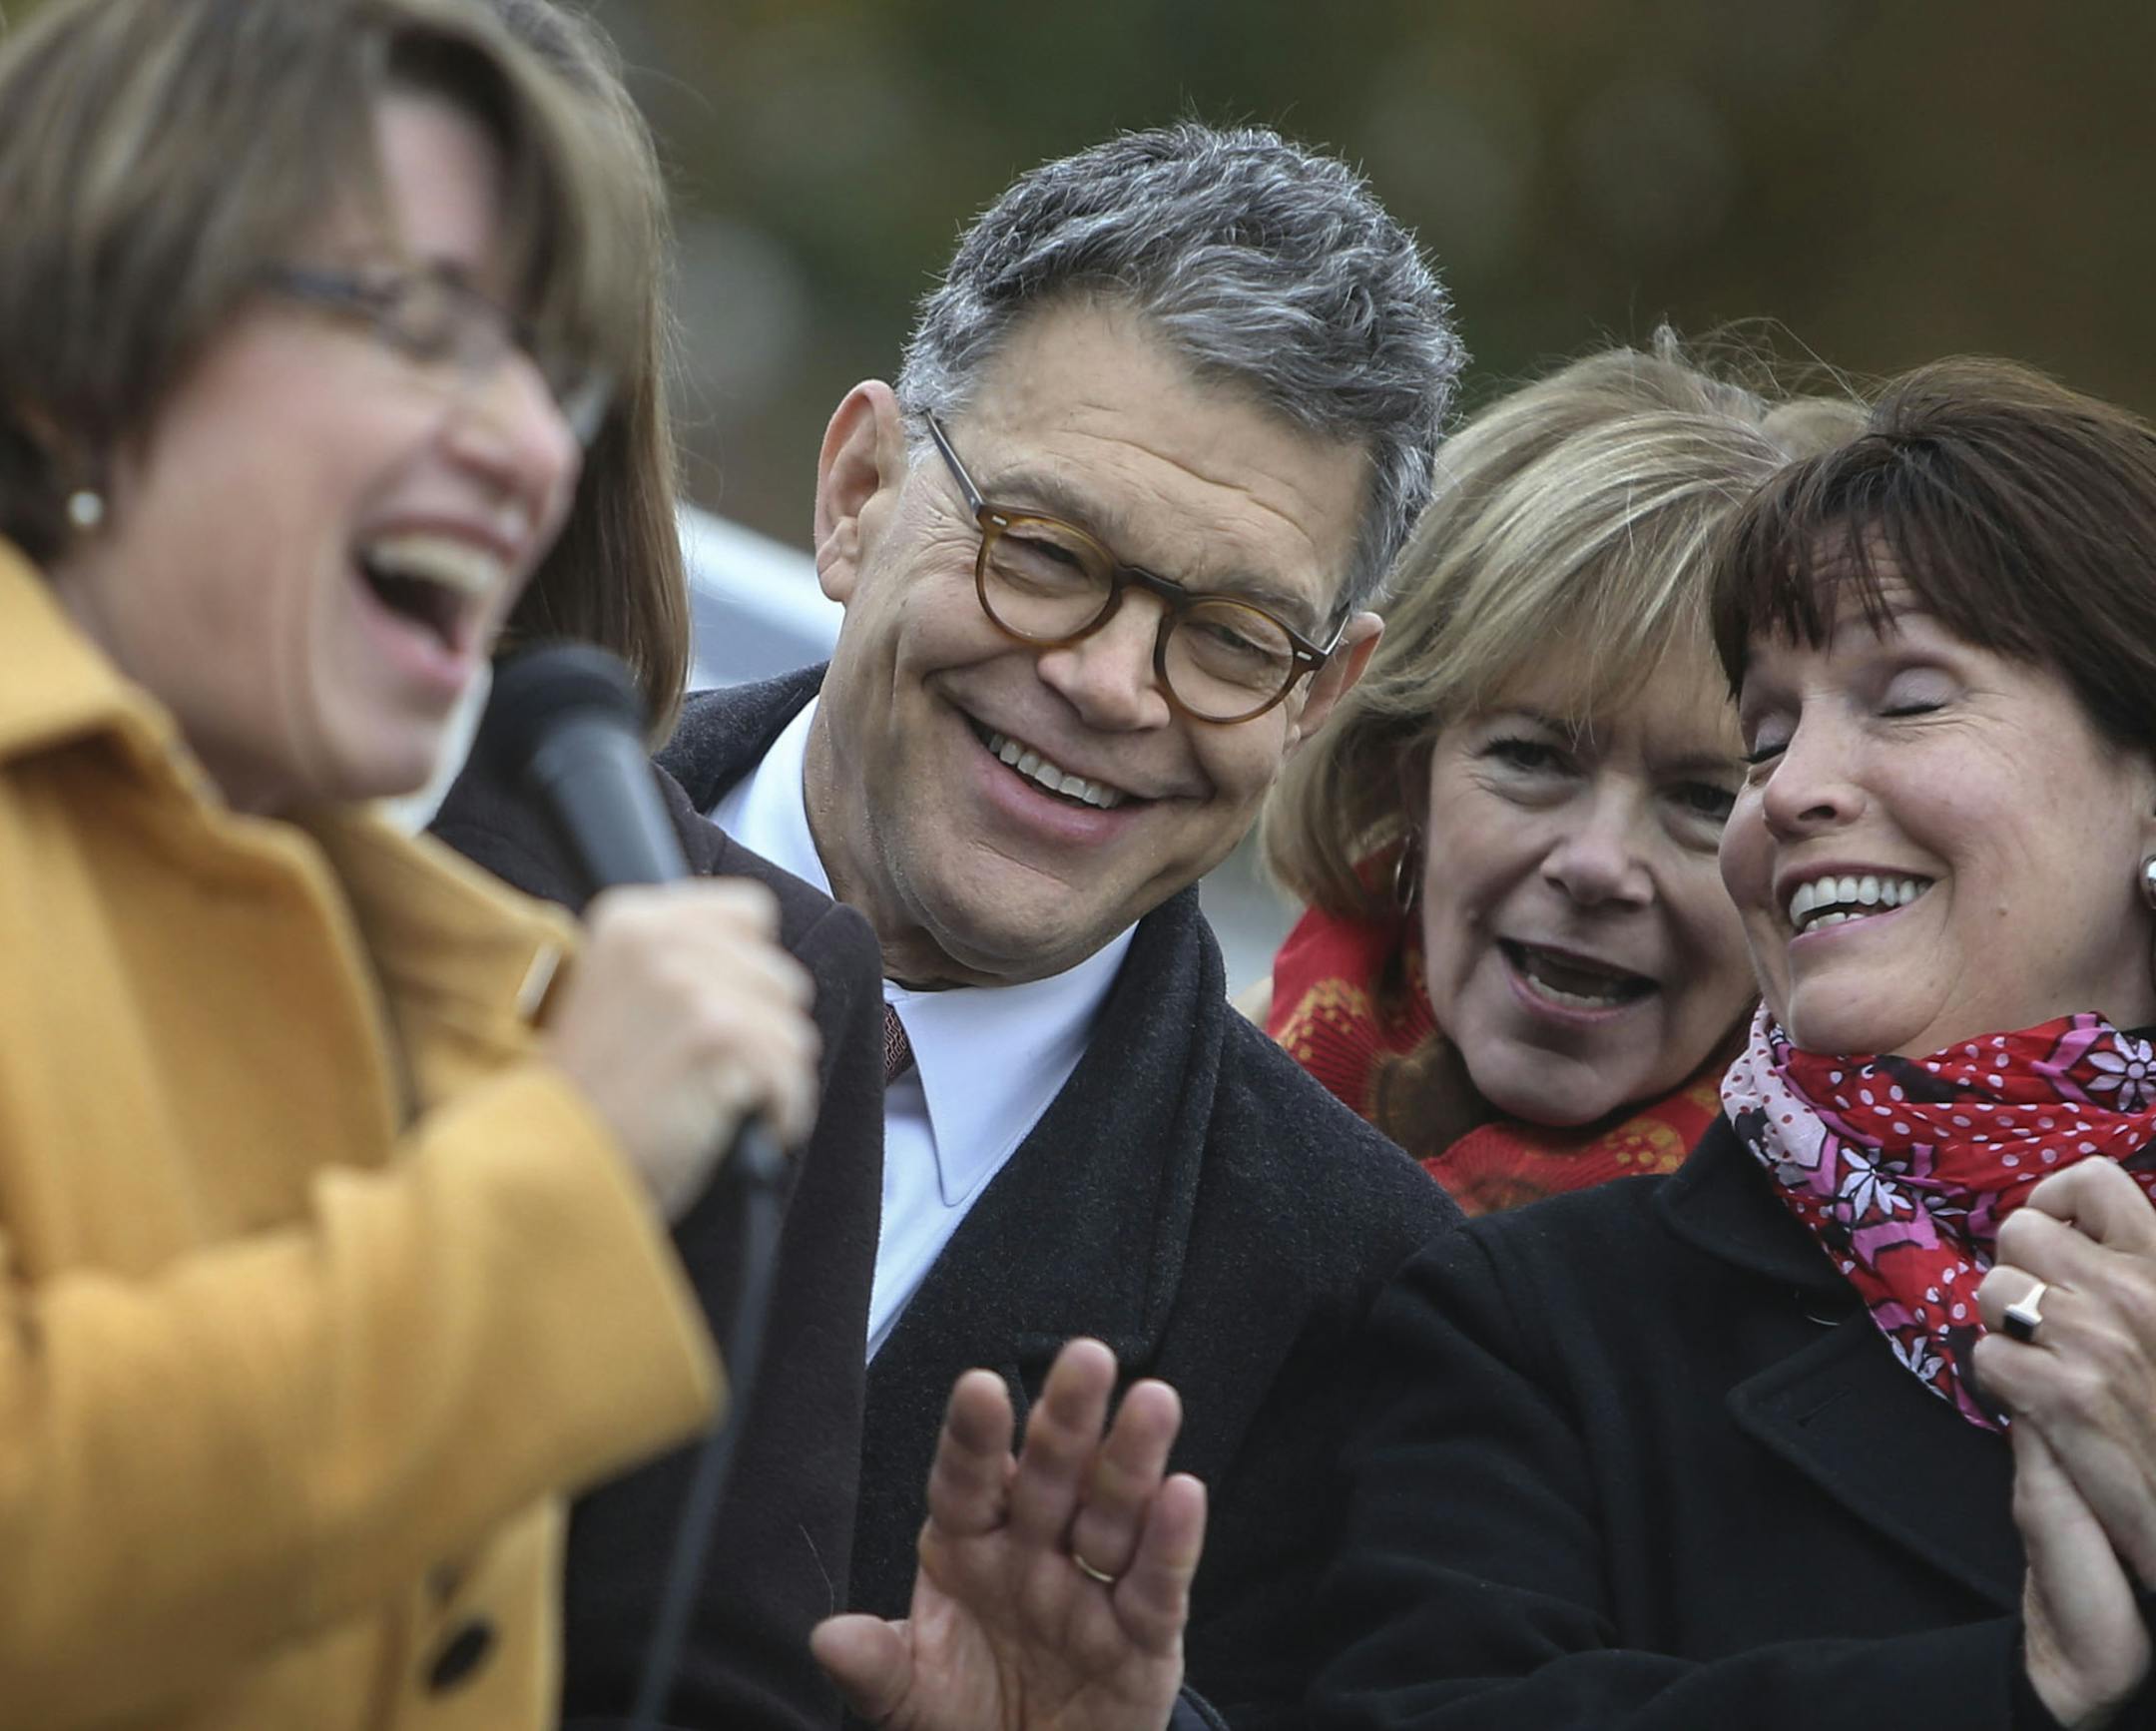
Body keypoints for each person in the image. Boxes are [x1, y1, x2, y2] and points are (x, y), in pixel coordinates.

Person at [854, 359, 2156, 1731]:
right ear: (1396, 772)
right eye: (1768, 740)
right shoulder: (1508, 1309)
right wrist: (2031, 1695)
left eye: (1711, 784)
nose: (1794, 795)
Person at [0, 0, 822, 1724]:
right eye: (421, 324)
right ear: (91, 341)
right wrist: (563, 1180)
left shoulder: (438, 961)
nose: (536, 449)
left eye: (554, 367)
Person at [638, 123, 1465, 1722]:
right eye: (1046, 554)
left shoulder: (1356, 1303)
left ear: (1323, 696)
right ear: (858, 491)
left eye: (1229, 637)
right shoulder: (417, 854)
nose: (1107, 683)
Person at [429, 4, 887, 1726]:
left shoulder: (746, 963)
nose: (485, 433)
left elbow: (702, 1666)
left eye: (543, 360)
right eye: (385, 320)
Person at [1256, 339, 1864, 1213]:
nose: (1597, 864)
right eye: (1532, 758)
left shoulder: (1914, 1271)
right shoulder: (1143, 1115)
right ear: (1403, 765)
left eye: (1704, 798)